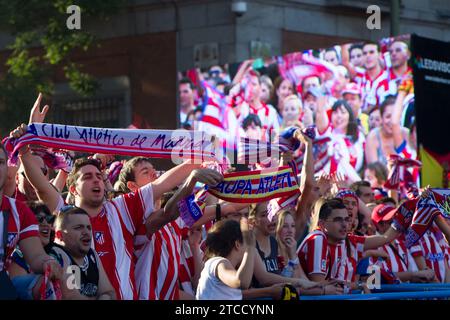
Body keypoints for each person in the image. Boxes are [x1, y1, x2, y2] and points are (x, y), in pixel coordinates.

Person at [12, 124, 202, 299]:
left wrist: (199, 158)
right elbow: (42, 187)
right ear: (72, 189)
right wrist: (23, 152)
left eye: (98, 176)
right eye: (87, 177)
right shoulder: (64, 214)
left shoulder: (121, 209)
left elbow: (162, 184)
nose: (96, 180)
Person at [0, 142, 62, 299]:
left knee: (52, 286)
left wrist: (48, 262)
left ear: (7, 170)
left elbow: (35, 256)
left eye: (0, 162)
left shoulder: (19, 211)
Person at [298, 198, 400, 288]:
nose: (344, 225)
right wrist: (359, 286)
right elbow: (319, 285)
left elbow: (385, 238)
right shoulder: (318, 239)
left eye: (347, 219)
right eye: (338, 220)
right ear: (322, 224)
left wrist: (402, 219)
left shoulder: (343, 240)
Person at [47, 205, 116, 299]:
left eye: (88, 227)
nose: (86, 232)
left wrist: (105, 297)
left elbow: (109, 292)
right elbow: (71, 297)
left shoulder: (92, 255)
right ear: (60, 235)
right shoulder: (57, 254)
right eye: (78, 227)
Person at [370, 204, 436, 283]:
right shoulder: (372, 247)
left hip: (404, 294)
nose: (398, 224)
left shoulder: (402, 244)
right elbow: (375, 280)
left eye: (397, 219)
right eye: (392, 221)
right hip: (386, 295)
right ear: (380, 225)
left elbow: (413, 274)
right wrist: (414, 275)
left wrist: (424, 275)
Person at [196, 218, 255, 300]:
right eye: (245, 242)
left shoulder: (222, 264)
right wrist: (250, 246)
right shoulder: (218, 262)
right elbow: (241, 282)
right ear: (237, 244)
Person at [316, 99, 366, 172]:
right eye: (335, 112)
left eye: (343, 112)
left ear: (349, 116)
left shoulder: (359, 135)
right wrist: (320, 110)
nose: (339, 116)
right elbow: (321, 121)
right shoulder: (327, 132)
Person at [365, 96, 411, 165]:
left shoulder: (406, 134)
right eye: (388, 116)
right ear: (381, 118)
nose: (392, 121)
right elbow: (374, 170)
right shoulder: (373, 137)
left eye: (395, 117)